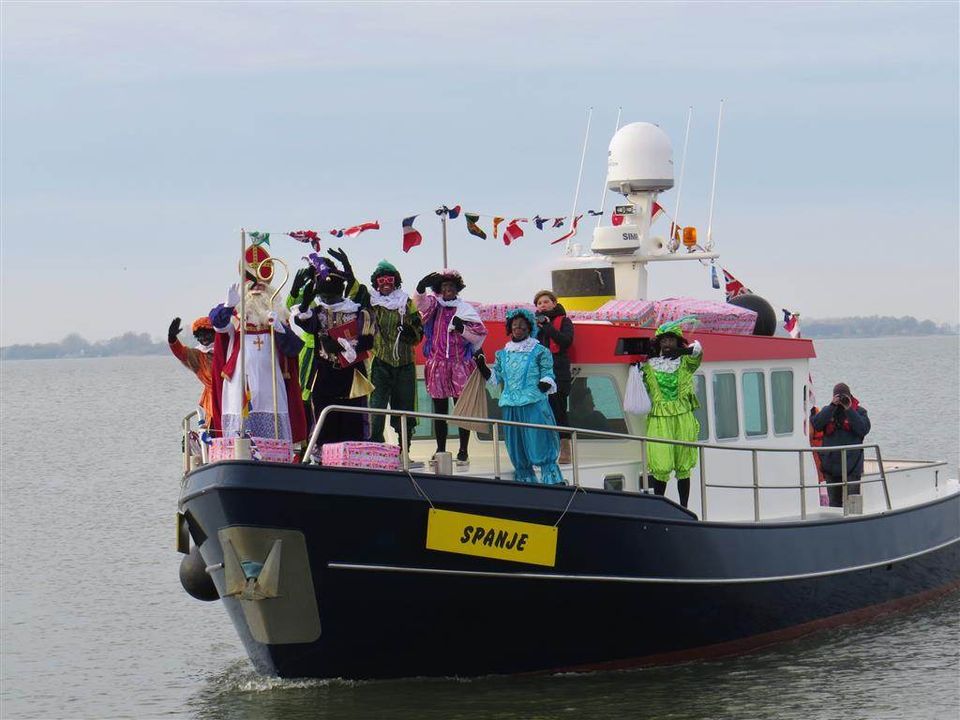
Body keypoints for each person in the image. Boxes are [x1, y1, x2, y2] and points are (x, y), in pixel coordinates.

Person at [208, 245, 307, 445]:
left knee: (273, 429)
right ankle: (238, 452)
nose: (257, 290)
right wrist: (228, 306)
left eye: (261, 286)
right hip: (239, 382)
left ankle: (275, 455)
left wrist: (279, 327)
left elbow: (294, 349)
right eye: (253, 286)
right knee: (240, 428)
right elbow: (217, 324)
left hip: (271, 383)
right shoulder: (234, 313)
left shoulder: (278, 316)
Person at [292, 250, 374, 447]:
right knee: (324, 420)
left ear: (340, 292)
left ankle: (352, 455)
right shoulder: (317, 312)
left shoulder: (358, 312)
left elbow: (368, 341)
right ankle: (323, 455)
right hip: (324, 374)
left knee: (352, 421)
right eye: (324, 296)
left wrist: (342, 346)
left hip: (351, 375)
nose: (328, 301)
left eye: (331, 297)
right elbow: (302, 321)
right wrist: (304, 304)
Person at [473, 309, 563, 484]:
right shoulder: (503, 354)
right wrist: (482, 365)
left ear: (529, 328)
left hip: (533, 403)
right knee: (516, 445)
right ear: (510, 328)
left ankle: (551, 479)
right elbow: (496, 377)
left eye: (522, 326)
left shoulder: (539, 351)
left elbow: (548, 372)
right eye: (515, 326)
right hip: (510, 405)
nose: (518, 328)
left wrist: (545, 381)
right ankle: (526, 480)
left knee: (540, 440)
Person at [415, 269, 487, 466]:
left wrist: (462, 328)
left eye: (452, 286)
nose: (448, 289)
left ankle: (463, 451)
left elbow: (478, 336)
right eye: (445, 285)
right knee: (439, 410)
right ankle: (440, 449)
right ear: (439, 288)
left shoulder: (466, 310)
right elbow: (420, 304)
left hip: (460, 364)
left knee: (462, 409)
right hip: (437, 364)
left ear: (457, 289)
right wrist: (421, 287)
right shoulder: (434, 305)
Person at [637, 317, 703, 508]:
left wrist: (680, 352)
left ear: (677, 341)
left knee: (683, 465)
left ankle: (684, 507)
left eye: (671, 339)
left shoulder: (686, 362)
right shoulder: (649, 366)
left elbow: (698, 350)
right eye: (664, 340)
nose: (667, 343)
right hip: (659, 419)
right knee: (661, 464)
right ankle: (660, 508)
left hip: (683, 417)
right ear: (658, 343)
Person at [367, 260, 424, 454]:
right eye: (381, 280)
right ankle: (375, 449)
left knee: (405, 408)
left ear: (395, 281)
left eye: (389, 279)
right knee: (376, 407)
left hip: (405, 363)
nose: (386, 283)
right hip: (380, 362)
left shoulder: (406, 302)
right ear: (376, 282)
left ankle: (404, 450)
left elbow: (419, 329)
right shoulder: (372, 303)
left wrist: (411, 332)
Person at [810, 383, 871, 508]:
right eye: (839, 397)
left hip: (852, 466)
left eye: (844, 397)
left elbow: (863, 429)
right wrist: (832, 405)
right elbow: (816, 424)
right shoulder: (828, 411)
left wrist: (849, 409)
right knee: (834, 504)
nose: (842, 400)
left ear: (850, 396)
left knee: (853, 504)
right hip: (831, 467)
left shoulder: (860, 412)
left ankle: (853, 520)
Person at [533, 290, 575, 463]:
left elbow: (566, 341)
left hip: (558, 371)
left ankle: (565, 448)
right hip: (539, 372)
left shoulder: (564, 321)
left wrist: (548, 326)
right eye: (539, 303)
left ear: (554, 303)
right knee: (540, 410)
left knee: (559, 409)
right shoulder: (533, 324)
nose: (542, 305)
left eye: (546, 302)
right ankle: (545, 449)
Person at [167, 316, 215, 426]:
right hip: (213, 400)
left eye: (206, 334)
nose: (203, 338)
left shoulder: (228, 349)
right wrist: (172, 339)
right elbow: (182, 353)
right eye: (200, 335)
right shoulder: (198, 355)